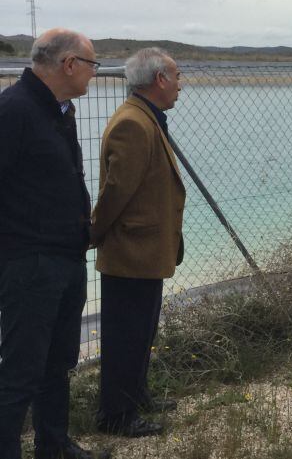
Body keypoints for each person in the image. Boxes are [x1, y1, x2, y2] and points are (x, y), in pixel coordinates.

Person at [0, 28, 110, 459]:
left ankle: (54, 446)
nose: (94, 73)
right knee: (21, 371)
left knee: (57, 362)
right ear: (69, 65)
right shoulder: (14, 111)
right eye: (92, 64)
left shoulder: (59, 110)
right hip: (29, 262)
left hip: (65, 257)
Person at [90, 48, 185, 437]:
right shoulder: (133, 123)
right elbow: (115, 193)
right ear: (159, 79)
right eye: (177, 76)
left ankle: (136, 395)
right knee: (126, 335)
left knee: (142, 331)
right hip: (130, 252)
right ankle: (115, 415)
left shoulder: (146, 117)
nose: (181, 84)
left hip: (145, 251)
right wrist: (94, 233)